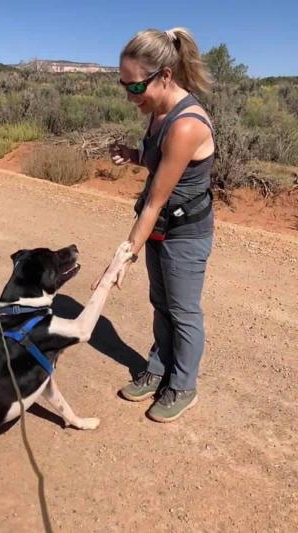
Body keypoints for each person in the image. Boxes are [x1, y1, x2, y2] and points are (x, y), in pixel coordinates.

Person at [94, 27, 215, 422]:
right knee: (160, 304)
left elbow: (155, 200)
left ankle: (183, 384)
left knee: (182, 311)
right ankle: (158, 369)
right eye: (123, 85)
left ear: (164, 76)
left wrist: (121, 258)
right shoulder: (158, 112)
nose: (130, 96)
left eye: (134, 87)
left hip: (183, 232)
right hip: (160, 226)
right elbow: (160, 164)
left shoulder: (185, 124)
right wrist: (134, 154)